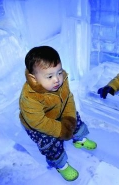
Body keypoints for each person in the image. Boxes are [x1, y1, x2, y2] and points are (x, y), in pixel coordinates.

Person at [19, 46, 97, 181]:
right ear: (34, 78)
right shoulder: (29, 97)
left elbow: (68, 99)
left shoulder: (61, 80)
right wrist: (61, 130)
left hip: (58, 111)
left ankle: (80, 139)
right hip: (38, 124)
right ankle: (60, 164)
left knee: (75, 119)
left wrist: (69, 119)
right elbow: (38, 122)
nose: (57, 79)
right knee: (49, 142)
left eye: (59, 72)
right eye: (49, 76)